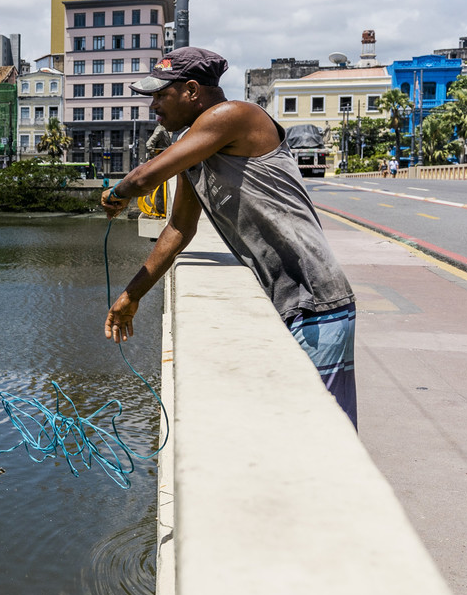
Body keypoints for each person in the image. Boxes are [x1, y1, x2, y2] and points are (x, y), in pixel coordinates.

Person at [98, 47, 358, 426]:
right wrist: (131, 294)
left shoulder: (235, 115)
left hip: (316, 305)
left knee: (325, 438)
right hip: (286, 305)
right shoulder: (197, 149)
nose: (153, 105)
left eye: (160, 94)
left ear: (190, 90)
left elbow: (144, 178)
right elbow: (179, 228)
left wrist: (117, 193)